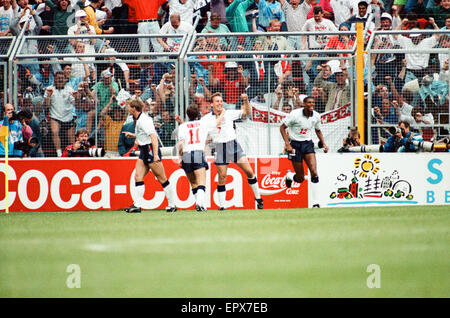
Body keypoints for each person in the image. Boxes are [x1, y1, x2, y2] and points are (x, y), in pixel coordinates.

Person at [202, 92, 263, 210]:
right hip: (220, 147)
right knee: (222, 177)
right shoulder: (207, 118)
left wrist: (245, 101)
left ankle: (258, 198)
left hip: (233, 145)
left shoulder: (229, 113)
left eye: (221, 101)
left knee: (249, 172)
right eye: (217, 101)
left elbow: (246, 113)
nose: (220, 103)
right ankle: (222, 205)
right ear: (211, 104)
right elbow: (214, 126)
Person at [122, 99, 177, 213]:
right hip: (144, 150)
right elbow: (143, 135)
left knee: (162, 179)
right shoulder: (139, 119)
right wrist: (132, 135)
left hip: (150, 150)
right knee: (138, 176)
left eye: (128, 106)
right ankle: (137, 205)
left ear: (134, 108)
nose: (127, 108)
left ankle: (172, 205)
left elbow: (153, 137)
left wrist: (156, 154)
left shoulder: (144, 120)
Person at [279, 96, 328, 208]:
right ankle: (290, 176)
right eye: (309, 103)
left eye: (313, 103)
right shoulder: (295, 114)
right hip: (295, 144)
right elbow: (282, 128)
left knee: (314, 172)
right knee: (300, 178)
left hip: (307, 144)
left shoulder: (316, 116)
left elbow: (318, 130)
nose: (311, 105)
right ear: (304, 104)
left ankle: (316, 203)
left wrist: (324, 144)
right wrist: (287, 144)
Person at [177, 105, 214, 212]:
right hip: (198, 152)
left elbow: (181, 144)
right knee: (201, 181)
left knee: (193, 183)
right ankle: (199, 204)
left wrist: (180, 158)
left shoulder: (182, 127)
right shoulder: (203, 124)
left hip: (186, 154)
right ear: (198, 114)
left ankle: (201, 205)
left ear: (187, 115)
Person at [43, 71, 76, 157]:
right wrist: (49, 96)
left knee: (72, 140)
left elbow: (76, 105)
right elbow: (46, 106)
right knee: (54, 131)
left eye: (62, 78)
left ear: (65, 79)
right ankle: (59, 153)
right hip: (55, 116)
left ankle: (73, 154)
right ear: (55, 79)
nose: (60, 80)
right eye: (58, 78)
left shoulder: (70, 89)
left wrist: (77, 97)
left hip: (68, 117)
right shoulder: (49, 89)